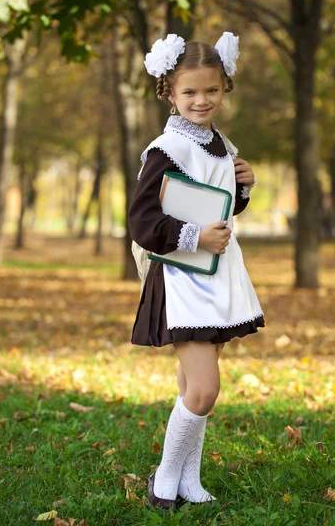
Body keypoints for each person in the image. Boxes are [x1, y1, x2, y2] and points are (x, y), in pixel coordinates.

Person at [128, 32, 265, 511]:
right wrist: (196, 238)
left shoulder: (221, 144)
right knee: (205, 390)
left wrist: (242, 187)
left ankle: (190, 479)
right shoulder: (167, 149)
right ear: (168, 92)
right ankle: (163, 478)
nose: (201, 100)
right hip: (184, 278)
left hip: (219, 276)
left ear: (224, 87)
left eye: (211, 90)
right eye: (189, 92)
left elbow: (219, 211)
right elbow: (144, 222)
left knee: (193, 388)